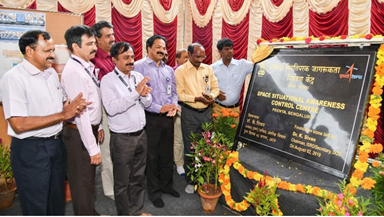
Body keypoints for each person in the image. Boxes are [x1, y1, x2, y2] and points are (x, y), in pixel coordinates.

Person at [0, 30, 89, 215]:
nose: (52, 54)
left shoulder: (50, 73)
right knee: (36, 205)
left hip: (56, 144)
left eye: (53, 50)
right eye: (47, 50)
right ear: (29, 51)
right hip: (31, 149)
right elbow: (19, 124)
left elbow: (58, 106)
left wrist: (72, 107)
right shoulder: (14, 78)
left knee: (56, 202)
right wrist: (63, 115)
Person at [100, 42, 152, 216]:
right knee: (122, 181)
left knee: (138, 177)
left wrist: (144, 96)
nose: (131, 60)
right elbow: (112, 109)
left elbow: (148, 103)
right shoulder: (108, 81)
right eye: (126, 58)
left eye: (132, 56)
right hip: (122, 139)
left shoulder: (138, 75)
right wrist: (136, 93)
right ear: (114, 59)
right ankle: (124, 214)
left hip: (141, 135)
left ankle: (137, 211)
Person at [61, 25, 103, 215]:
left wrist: (99, 124)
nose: (94, 47)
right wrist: (92, 148)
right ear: (75, 47)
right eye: (89, 44)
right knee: (82, 184)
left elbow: (93, 101)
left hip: (87, 131)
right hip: (79, 134)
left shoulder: (84, 67)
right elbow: (81, 115)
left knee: (87, 182)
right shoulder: (75, 72)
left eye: (94, 42)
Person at [134, 35, 180, 208]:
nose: (162, 50)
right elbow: (138, 96)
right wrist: (158, 108)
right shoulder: (139, 67)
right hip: (150, 118)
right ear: (149, 48)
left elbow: (173, 92)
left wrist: (173, 106)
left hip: (168, 118)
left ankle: (167, 186)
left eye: (164, 48)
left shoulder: (169, 70)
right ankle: (154, 192)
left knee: (167, 154)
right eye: (158, 47)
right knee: (152, 157)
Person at [175, 43, 219, 194]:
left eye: (203, 56)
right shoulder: (180, 71)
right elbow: (179, 95)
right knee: (191, 147)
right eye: (197, 56)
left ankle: (205, 177)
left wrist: (211, 97)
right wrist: (197, 98)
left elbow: (215, 88)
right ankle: (192, 180)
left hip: (206, 112)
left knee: (206, 145)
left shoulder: (208, 69)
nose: (200, 59)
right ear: (189, 54)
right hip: (190, 113)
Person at [91, 20, 116, 200]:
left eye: (112, 35)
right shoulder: (94, 60)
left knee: (119, 150)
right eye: (107, 36)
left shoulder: (115, 56)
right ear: (97, 39)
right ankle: (109, 189)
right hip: (104, 111)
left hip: (120, 108)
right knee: (106, 151)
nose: (112, 39)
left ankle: (120, 183)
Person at [211, 38, 253, 117]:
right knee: (217, 129)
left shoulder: (242, 65)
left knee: (234, 129)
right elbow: (205, 86)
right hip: (217, 109)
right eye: (226, 49)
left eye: (231, 48)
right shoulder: (212, 68)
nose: (230, 51)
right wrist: (215, 93)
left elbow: (259, 66)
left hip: (234, 110)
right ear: (220, 52)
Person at [172, 48, 189, 175]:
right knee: (178, 138)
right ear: (177, 59)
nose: (187, 60)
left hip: (191, 108)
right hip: (179, 107)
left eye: (189, 57)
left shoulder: (192, 72)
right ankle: (179, 163)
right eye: (185, 57)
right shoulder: (173, 72)